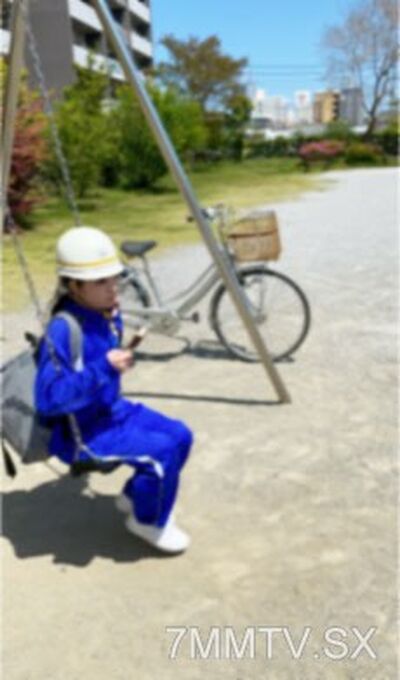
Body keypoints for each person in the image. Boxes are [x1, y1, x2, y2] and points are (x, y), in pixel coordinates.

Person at [34, 226, 193, 554]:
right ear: (74, 286)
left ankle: (135, 497)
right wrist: (104, 368)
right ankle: (147, 522)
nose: (113, 288)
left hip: (111, 411)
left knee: (181, 435)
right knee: (162, 452)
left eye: (114, 278)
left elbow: (104, 362)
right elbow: (48, 400)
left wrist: (118, 354)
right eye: (100, 282)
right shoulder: (62, 329)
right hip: (83, 433)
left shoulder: (103, 313)